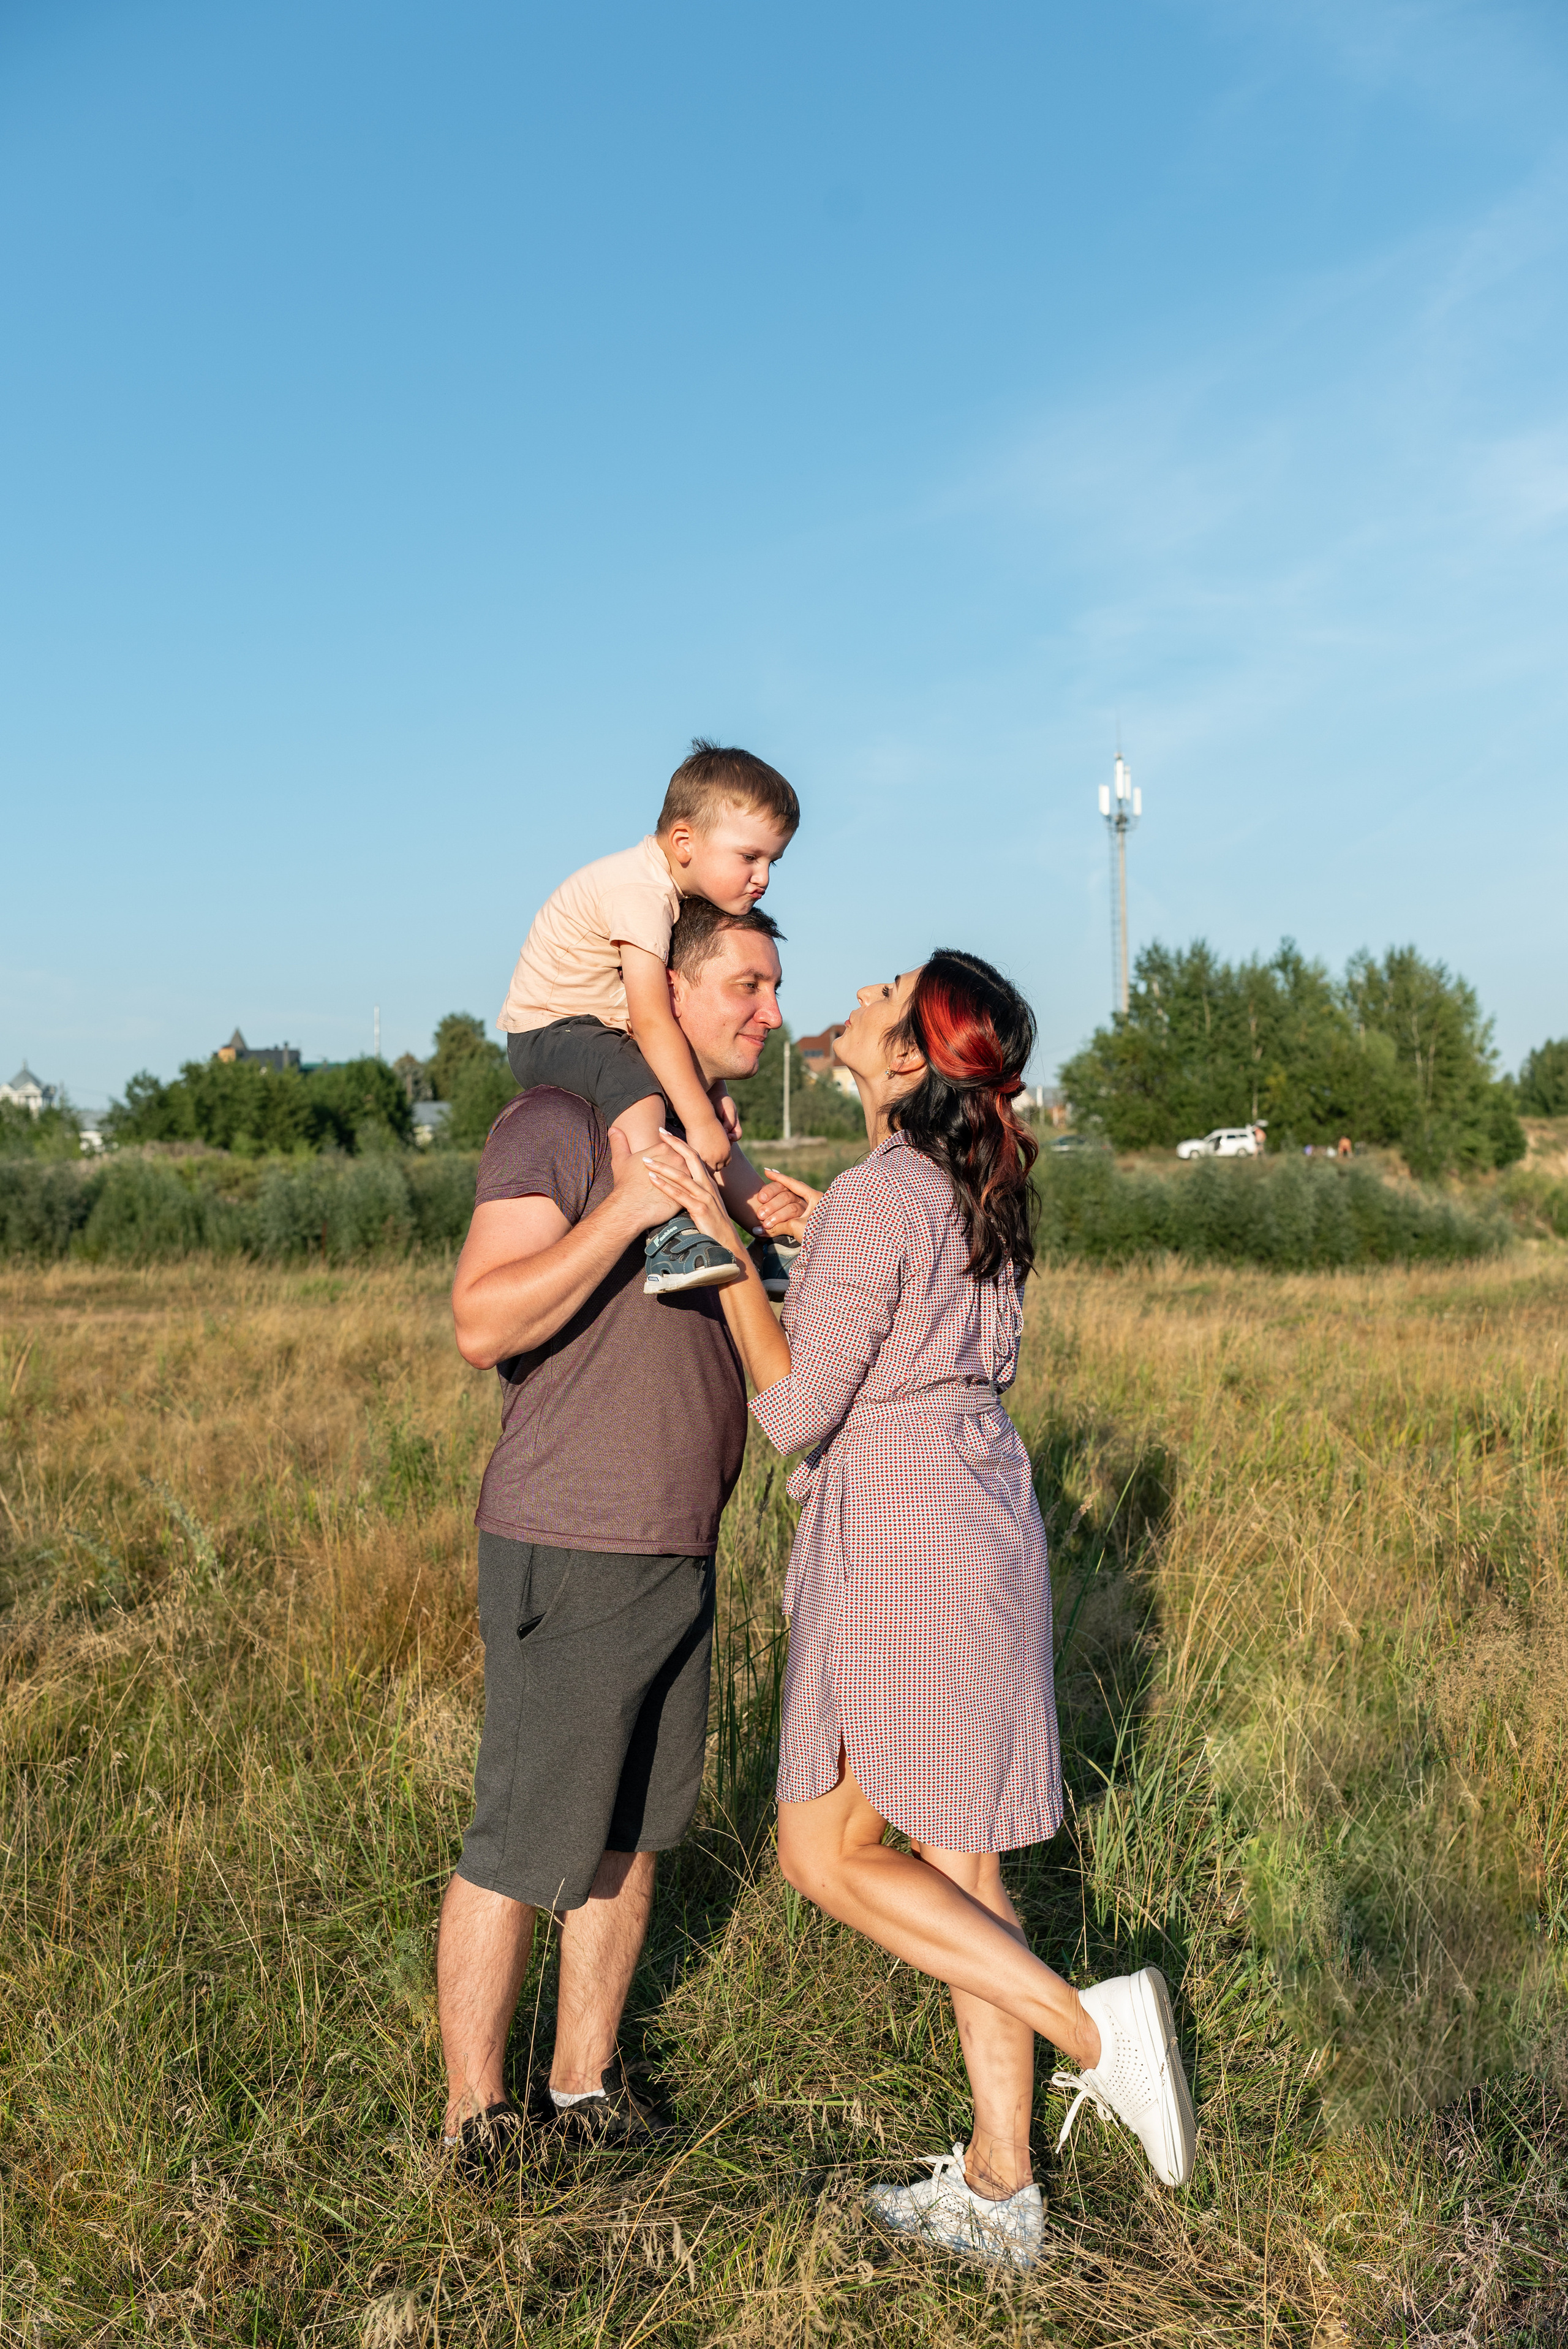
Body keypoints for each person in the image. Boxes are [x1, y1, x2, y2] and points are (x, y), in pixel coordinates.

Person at [645, 950, 1197, 2273]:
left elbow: (792, 1410)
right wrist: (798, 1241)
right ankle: (1002, 2185)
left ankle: (1093, 2030)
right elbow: (895, 1321)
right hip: (979, 1512)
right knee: (960, 1863)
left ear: (904, 1061)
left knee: (820, 1853)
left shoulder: (878, 1194)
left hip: (895, 1525)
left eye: (889, 989)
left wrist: (728, 1261)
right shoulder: (962, 1182)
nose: (862, 985)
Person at [438, 896, 796, 2184]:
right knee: (523, 1839)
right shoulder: (558, 1124)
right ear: (666, 993)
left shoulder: (712, 1149)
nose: (770, 1011)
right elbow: (484, 1323)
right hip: (571, 1532)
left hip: (677, 1538)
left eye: (771, 988)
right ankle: (478, 2125)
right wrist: (623, 1212)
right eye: (745, 986)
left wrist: (766, 1231)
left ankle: (583, 2087)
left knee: (629, 1834)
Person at [497, 739, 799, 1298]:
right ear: (684, 841)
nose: (762, 877)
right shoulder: (641, 893)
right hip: (547, 1030)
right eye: (749, 857)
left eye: (771, 861)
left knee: (691, 1097)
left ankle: (772, 1234)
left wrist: (711, 1090)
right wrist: (702, 1119)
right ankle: (669, 1231)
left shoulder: (668, 891)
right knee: (641, 1087)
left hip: (595, 1024)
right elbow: (653, 1019)